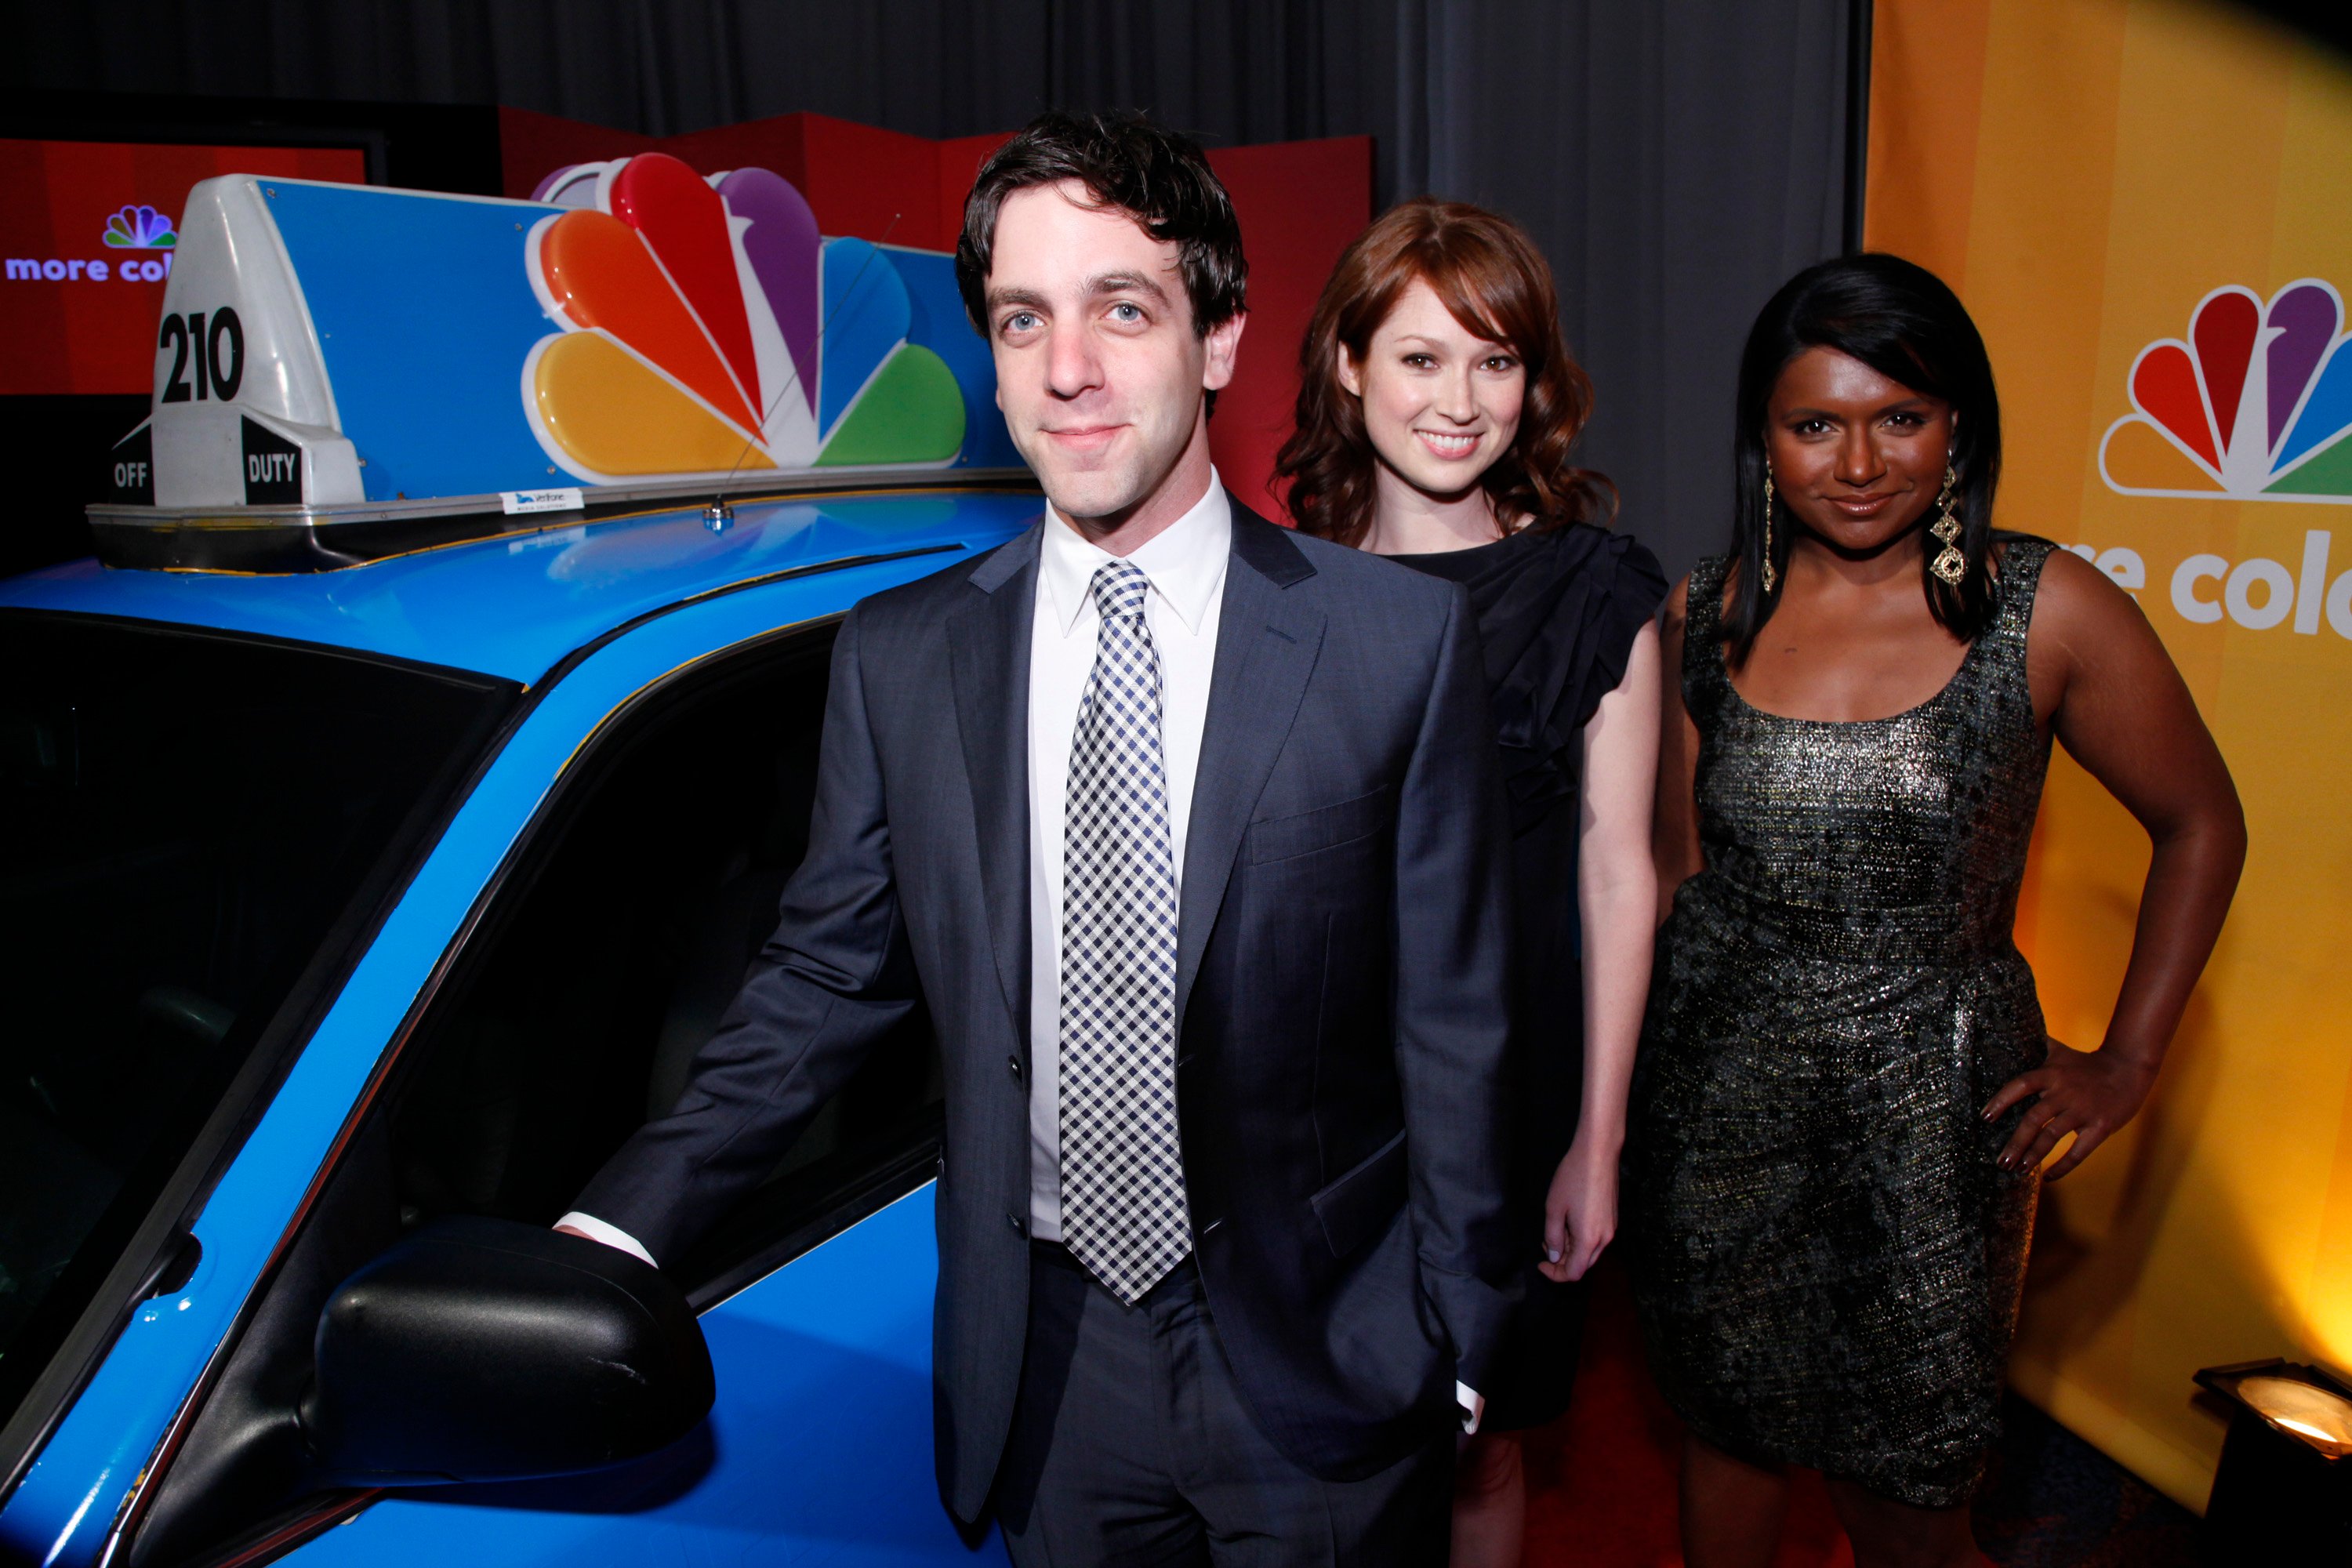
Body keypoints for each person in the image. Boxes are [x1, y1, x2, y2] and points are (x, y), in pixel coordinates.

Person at [556, 112, 1520, 1566]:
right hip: (1049, 1366)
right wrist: (620, 1226)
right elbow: (822, 982)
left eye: (1120, 309)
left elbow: (1459, 1024)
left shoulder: (1395, 645)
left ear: (1217, 339)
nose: (1066, 369)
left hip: (1324, 1356)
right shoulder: (904, 658)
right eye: (1023, 319)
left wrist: (1456, 1341)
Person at [1624, 253, 2245, 1568]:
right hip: (1718, 1106)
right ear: (1766, 440)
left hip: (1934, 1126)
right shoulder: (1702, 616)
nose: (1857, 464)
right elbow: (1680, 883)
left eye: (1899, 418)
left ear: (1958, 425)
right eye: (1815, 426)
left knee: (1907, 1491)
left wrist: (2127, 1061)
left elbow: (2204, 823)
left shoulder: (2047, 609)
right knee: (1726, 1435)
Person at [1276, 197, 1662, 1567]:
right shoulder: (1281, 587)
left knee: (1479, 1435)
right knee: (1307, 1439)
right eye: (1422, 358)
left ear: (1535, 383)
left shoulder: (1594, 588)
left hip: (1505, 1093)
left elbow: (1623, 874)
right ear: (1347, 367)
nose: (1460, 400)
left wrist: (1597, 1139)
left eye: (1495, 361)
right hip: (1312, 1099)